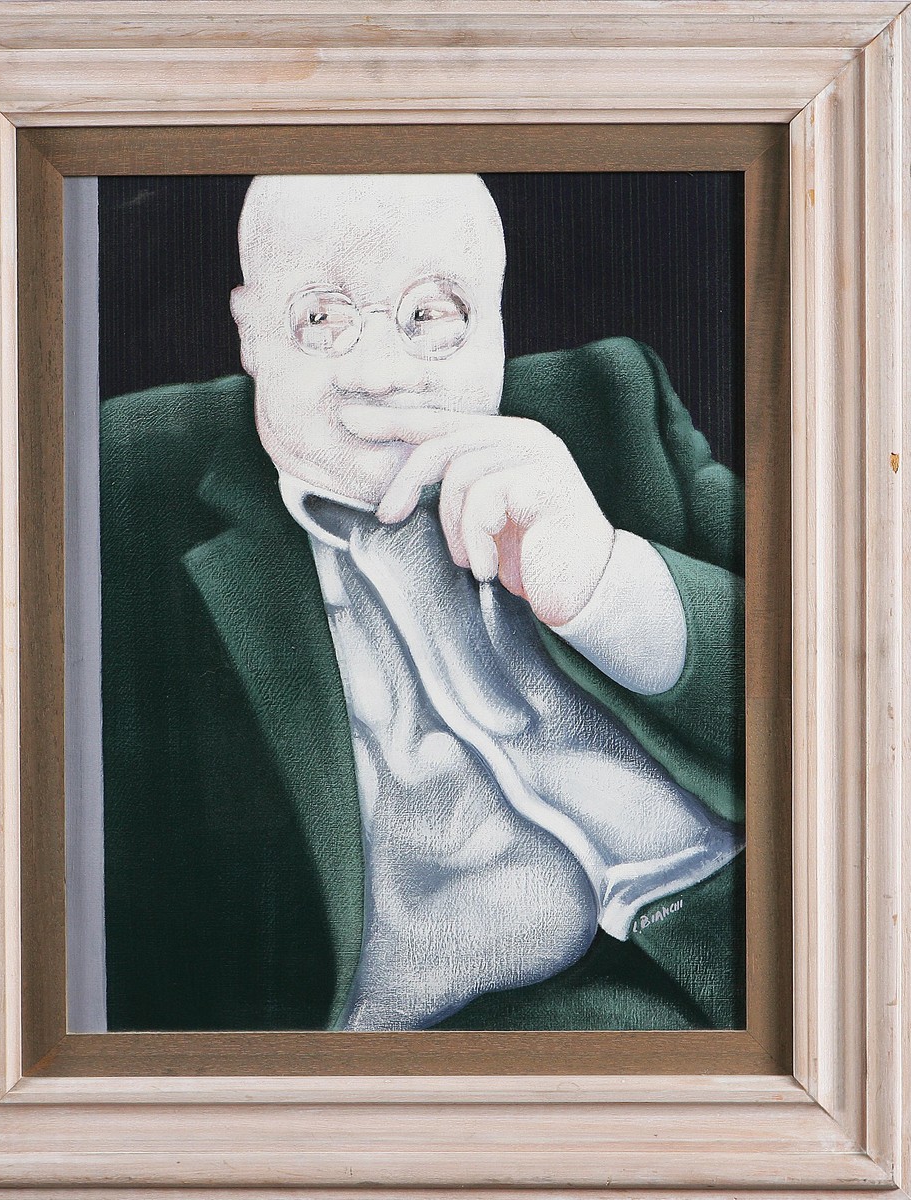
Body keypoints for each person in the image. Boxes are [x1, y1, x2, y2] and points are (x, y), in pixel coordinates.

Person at [100, 174, 744, 1033]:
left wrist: (607, 584)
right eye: (321, 318)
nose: (381, 374)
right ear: (250, 332)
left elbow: (839, 660)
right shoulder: (118, 479)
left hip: (760, 927)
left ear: (498, 321)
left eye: (432, 315)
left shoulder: (612, 403)